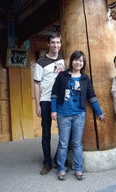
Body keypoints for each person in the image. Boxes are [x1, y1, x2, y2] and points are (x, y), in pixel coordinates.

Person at [51, 51, 107, 181]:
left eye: (81, 61)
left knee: (77, 143)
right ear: (71, 61)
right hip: (63, 115)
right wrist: (53, 110)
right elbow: (54, 94)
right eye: (76, 60)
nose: (78, 63)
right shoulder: (62, 76)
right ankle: (61, 169)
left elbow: (92, 97)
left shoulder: (85, 79)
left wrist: (99, 112)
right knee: (63, 143)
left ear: (83, 63)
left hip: (79, 115)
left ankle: (78, 169)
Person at [34, 32, 65, 175]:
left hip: (61, 100)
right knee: (46, 133)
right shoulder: (41, 62)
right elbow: (36, 84)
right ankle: (47, 162)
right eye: (53, 42)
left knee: (64, 132)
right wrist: (37, 104)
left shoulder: (64, 59)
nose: (56, 45)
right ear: (48, 44)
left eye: (58, 42)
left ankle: (60, 160)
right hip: (46, 100)